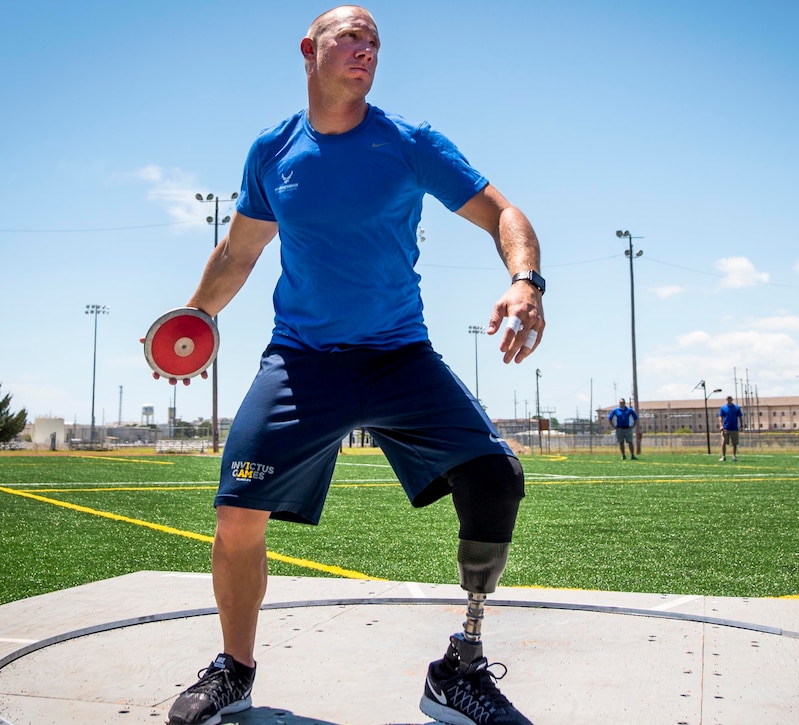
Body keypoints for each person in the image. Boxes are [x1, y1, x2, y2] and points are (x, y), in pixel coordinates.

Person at [160, 7, 543, 725]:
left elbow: (504, 214)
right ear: (310, 50)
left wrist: (526, 280)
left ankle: (459, 666)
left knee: (497, 478)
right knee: (236, 510)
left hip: (400, 355)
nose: (367, 49)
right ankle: (235, 670)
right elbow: (239, 252)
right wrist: (191, 319)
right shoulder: (273, 152)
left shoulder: (408, 143)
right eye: (351, 36)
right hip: (303, 361)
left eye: (376, 41)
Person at [719, 395, 742, 461]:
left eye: (730, 399)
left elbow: (740, 416)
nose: (729, 400)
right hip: (725, 428)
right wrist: (721, 425)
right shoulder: (723, 408)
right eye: (727, 399)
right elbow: (720, 417)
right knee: (723, 442)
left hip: (734, 428)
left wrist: (741, 425)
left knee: (734, 443)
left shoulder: (737, 408)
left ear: (732, 399)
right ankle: (723, 456)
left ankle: (734, 457)